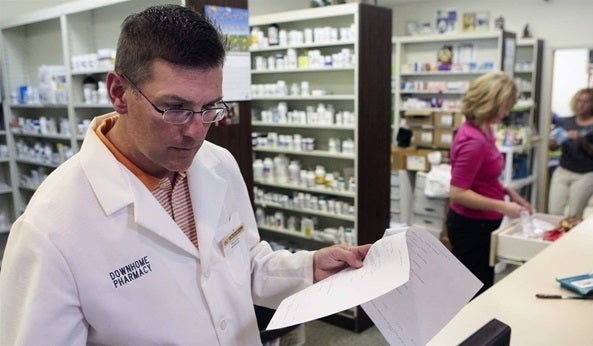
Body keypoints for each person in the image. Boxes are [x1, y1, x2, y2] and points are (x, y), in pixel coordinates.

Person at [0, 5, 370, 345]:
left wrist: (309, 266)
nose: (196, 131)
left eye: (209, 107)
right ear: (118, 92)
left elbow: (247, 265)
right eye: (175, 107)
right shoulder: (48, 230)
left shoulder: (218, 163)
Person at [446, 71, 532, 296]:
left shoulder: (485, 130)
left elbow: (483, 177)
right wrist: (503, 206)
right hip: (471, 226)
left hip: (483, 223)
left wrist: (509, 192)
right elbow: (457, 192)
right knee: (472, 293)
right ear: (489, 103)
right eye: (504, 107)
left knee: (483, 283)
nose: (506, 113)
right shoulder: (473, 141)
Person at [548, 88, 593, 217]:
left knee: (574, 215)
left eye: (586, 102)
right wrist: (555, 142)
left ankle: (569, 236)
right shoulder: (565, 122)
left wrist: (581, 140)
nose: (581, 105)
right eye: (579, 101)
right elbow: (552, 147)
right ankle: (555, 236)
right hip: (563, 171)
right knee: (554, 212)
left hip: (584, 175)